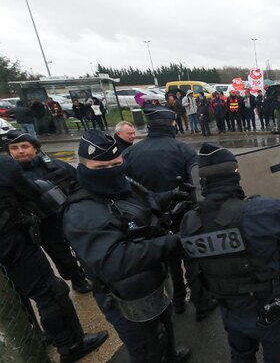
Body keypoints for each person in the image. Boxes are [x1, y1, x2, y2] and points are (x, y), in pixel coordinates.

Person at [62, 130, 191, 363]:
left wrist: (171, 196)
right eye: (101, 167)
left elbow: (139, 204)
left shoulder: (120, 184)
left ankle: (171, 356)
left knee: (165, 325)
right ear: (83, 167)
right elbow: (116, 260)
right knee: (146, 349)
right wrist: (174, 242)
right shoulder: (83, 212)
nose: (111, 170)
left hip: (153, 282)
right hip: (126, 298)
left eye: (116, 163)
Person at [181, 143, 280, 362]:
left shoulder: (190, 222)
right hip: (272, 314)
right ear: (235, 173)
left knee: (241, 357)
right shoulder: (258, 211)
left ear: (203, 180)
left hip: (231, 313)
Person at [0, 154, 108, 363]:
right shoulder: (4, 165)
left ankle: (37, 335)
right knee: (50, 292)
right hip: (12, 241)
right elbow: (30, 192)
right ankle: (72, 345)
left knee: (16, 296)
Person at [123, 105, 216, 318]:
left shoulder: (130, 152)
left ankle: (177, 301)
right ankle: (201, 303)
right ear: (172, 123)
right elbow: (197, 184)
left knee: (167, 259)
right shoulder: (182, 149)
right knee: (192, 258)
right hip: (183, 213)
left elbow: (127, 189)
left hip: (150, 218)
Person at [3, 130, 93, 293]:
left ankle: (95, 273)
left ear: (35, 148)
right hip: (43, 224)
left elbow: (80, 183)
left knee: (86, 246)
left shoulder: (56, 165)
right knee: (61, 255)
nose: (20, 151)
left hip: (71, 214)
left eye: (25, 146)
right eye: (14, 148)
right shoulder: (9, 176)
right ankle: (76, 278)